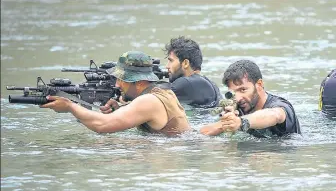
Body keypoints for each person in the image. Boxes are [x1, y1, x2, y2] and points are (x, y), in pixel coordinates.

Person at [41, 51, 191, 136]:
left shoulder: (149, 101)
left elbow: (102, 125)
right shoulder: (162, 91)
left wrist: (70, 106)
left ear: (139, 82)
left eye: (122, 80)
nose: (117, 84)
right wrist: (122, 110)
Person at [199, 60, 301, 138]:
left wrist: (240, 123)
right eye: (233, 93)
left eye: (243, 90)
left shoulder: (281, 105)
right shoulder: (239, 109)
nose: (238, 98)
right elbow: (201, 135)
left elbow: (275, 115)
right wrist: (226, 123)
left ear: (259, 85)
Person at [164, 36, 222, 108]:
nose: (167, 66)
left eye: (171, 61)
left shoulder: (185, 83)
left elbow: (152, 99)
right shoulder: (211, 84)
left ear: (185, 63)